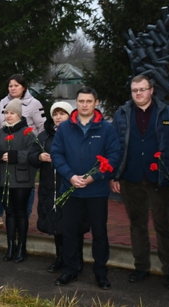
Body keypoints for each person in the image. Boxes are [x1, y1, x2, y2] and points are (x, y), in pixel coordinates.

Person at [51, 86, 120, 290]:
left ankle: (100, 273)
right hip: (70, 189)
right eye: (81, 101)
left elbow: (113, 156)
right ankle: (71, 269)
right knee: (70, 233)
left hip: (96, 191)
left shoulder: (106, 129)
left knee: (99, 233)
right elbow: (56, 154)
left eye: (89, 101)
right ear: (76, 102)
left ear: (96, 103)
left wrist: (93, 177)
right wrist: (70, 176)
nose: (84, 105)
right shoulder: (64, 128)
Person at [112, 75, 169, 289]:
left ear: (151, 90)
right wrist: (115, 175)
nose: (138, 93)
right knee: (137, 225)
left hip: (160, 178)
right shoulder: (121, 114)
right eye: (134, 90)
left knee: (163, 225)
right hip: (131, 178)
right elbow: (116, 146)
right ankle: (141, 267)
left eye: (142, 89)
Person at [28, 101, 78, 273]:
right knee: (56, 224)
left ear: (69, 115)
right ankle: (60, 258)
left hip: (70, 185)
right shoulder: (45, 135)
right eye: (55, 114)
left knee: (72, 224)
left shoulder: (76, 133)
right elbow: (31, 155)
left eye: (62, 113)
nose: (58, 117)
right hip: (50, 186)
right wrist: (39, 156)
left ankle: (75, 259)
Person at [0, 74, 45, 228]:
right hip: (5, 154)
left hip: (25, 153)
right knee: (3, 183)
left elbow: (42, 126)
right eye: (10, 86)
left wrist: (35, 148)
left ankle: (24, 215)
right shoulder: (3, 102)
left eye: (16, 85)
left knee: (26, 184)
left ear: (24, 87)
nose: (13, 88)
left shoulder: (34, 104)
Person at [0, 98, 35, 263]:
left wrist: (14, 156)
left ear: (19, 115)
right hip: (4, 180)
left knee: (21, 212)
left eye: (12, 113)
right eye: (6, 112)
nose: (8, 115)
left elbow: (32, 153)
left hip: (22, 180)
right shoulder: (0, 133)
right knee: (9, 212)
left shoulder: (27, 133)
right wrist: (0, 155)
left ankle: (22, 247)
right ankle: (11, 246)